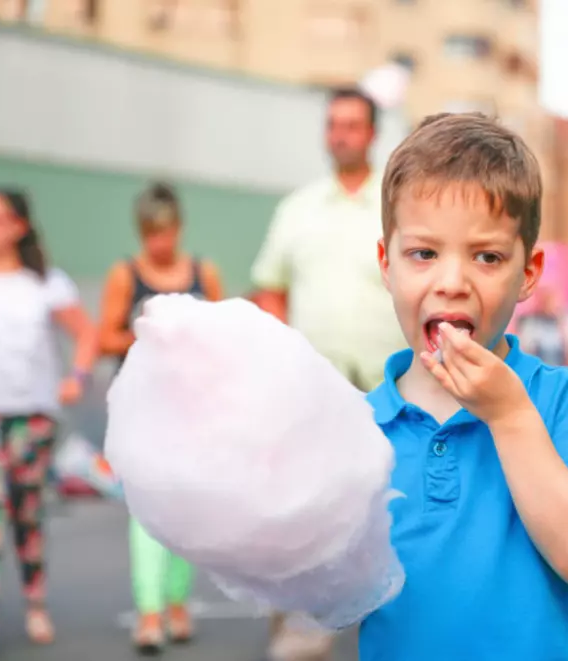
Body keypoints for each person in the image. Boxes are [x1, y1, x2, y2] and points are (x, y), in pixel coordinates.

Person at [360, 112, 568, 660]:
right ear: (387, 263)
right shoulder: (358, 428)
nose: (452, 283)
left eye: (487, 257)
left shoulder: (561, 399)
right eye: (423, 253)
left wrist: (508, 415)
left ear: (528, 272)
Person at [250, 87, 405, 660]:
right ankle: (300, 639)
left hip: (389, 392)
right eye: (332, 124)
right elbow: (270, 287)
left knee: (387, 518)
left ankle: (392, 638)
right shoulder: (296, 210)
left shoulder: (398, 209)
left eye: (351, 125)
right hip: (311, 396)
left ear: (371, 134)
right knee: (303, 521)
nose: (340, 134)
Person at [97, 181, 224, 654]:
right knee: (146, 512)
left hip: (191, 408)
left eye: (166, 232)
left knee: (185, 511)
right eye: (151, 233)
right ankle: (149, 611)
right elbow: (104, 337)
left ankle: (176, 602)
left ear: (178, 228)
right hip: (144, 410)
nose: (159, 242)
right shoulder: (124, 274)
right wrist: (148, 334)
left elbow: (220, 336)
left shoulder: (202, 272)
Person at [0, 188, 98, 658]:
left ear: (19, 227)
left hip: (34, 416)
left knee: (27, 516)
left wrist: (77, 377)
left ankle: (34, 603)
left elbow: (85, 334)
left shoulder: (46, 282)